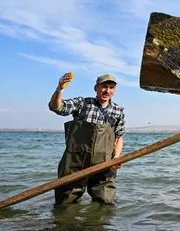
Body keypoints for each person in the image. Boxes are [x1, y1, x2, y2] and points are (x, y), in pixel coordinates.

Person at [48, 72, 126, 206]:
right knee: (65, 203)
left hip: (104, 163)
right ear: (96, 88)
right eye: (104, 86)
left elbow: (118, 137)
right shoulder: (82, 103)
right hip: (75, 162)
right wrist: (59, 89)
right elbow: (57, 107)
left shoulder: (118, 111)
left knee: (105, 203)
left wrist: (116, 157)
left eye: (111, 87)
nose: (107, 90)